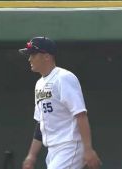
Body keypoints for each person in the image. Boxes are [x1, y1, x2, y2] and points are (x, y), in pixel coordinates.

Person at [19, 36, 101, 169]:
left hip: (69, 145)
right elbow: (40, 122)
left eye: (33, 54)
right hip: (52, 149)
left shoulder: (63, 78)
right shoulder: (39, 84)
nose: (29, 59)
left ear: (46, 56)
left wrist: (88, 149)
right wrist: (31, 155)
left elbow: (80, 114)